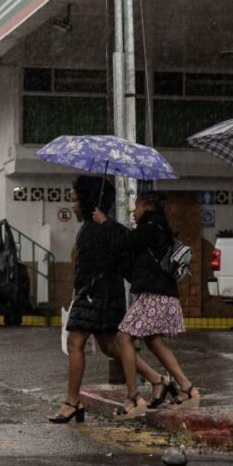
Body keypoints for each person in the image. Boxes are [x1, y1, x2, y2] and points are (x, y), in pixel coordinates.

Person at [52, 177, 169, 424]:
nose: (72, 205)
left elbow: (112, 255)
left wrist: (81, 291)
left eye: (75, 200)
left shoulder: (104, 227)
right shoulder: (91, 226)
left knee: (76, 342)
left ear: (88, 201)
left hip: (98, 294)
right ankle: (156, 378)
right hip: (96, 293)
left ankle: (72, 401)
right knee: (109, 346)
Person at [93, 191, 200, 417]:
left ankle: (133, 397)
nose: (134, 210)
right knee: (155, 342)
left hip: (155, 294)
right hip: (160, 294)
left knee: (124, 337)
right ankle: (187, 388)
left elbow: (125, 242)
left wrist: (105, 222)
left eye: (137, 205)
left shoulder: (152, 227)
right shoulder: (157, 228)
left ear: (148, 205)